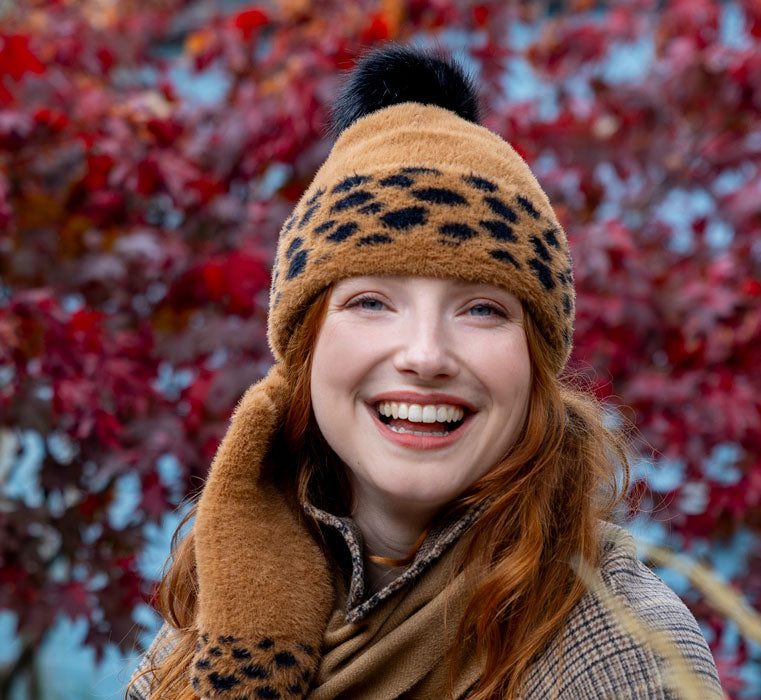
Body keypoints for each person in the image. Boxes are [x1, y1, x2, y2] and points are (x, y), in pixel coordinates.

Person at [126, 44, 723, 699]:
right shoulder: (226, 594)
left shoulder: (617, 655)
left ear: (534, 360)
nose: (425, 354)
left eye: (482, 308)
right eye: (372, 302)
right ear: (305, 347)